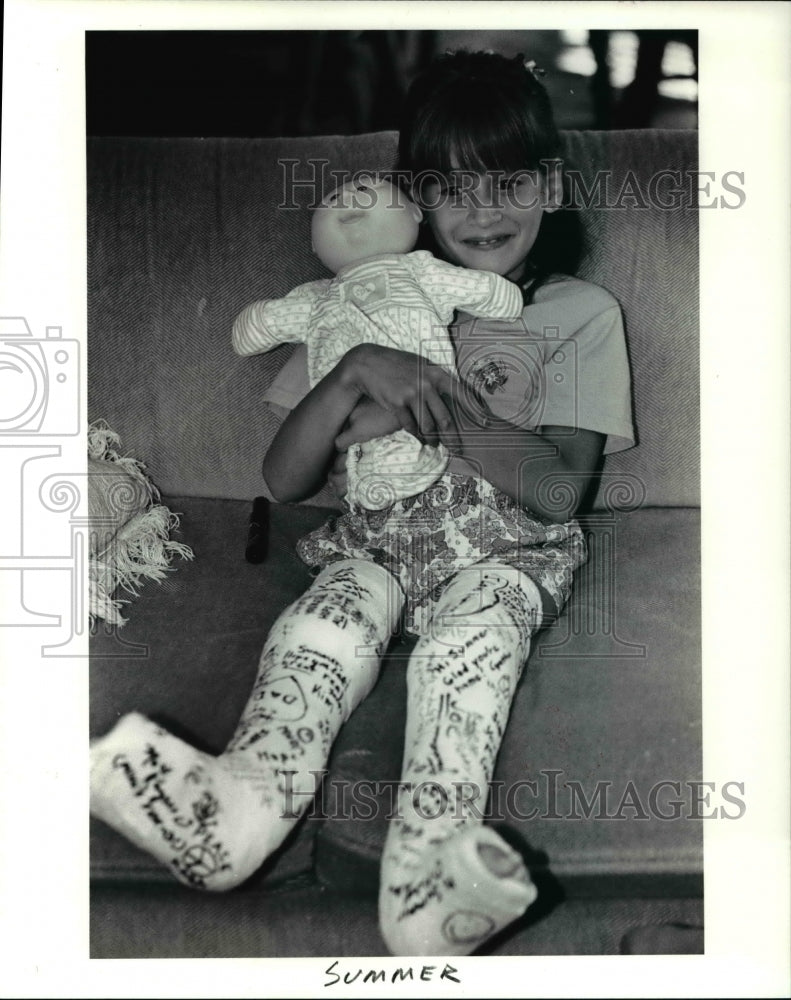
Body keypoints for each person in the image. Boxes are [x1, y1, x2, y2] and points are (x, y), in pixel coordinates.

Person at [89, 50, 635, 957]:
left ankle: (430, 876)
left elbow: (553, 490)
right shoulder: (362, 305)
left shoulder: (579, 312)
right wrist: (352, 370)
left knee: (468, 656)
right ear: (415, 199)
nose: (484, 209)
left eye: (508, 181)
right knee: (321, 632)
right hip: (373, 551)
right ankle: (236, 814)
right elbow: (288, 479)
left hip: (504, 558)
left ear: (548, 184)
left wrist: (427, 402)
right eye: (452, 188)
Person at [232, 175, 523, 510]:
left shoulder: (422, 272)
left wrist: (393, 415)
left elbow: (497, 295)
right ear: (313, 245)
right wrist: (355, 369)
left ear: (415, 213)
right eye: (332, 200)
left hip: (445, 470)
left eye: (363, 189)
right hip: (366, 484)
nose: (347, 199)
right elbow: (282, 482)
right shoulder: (319, 302)